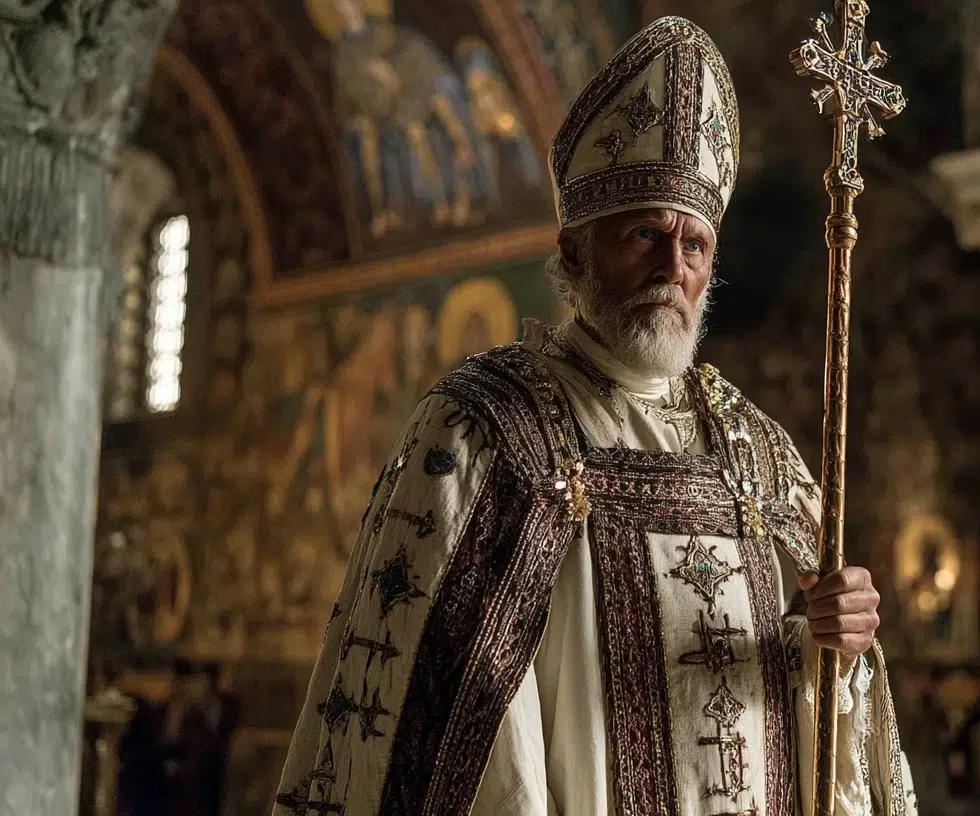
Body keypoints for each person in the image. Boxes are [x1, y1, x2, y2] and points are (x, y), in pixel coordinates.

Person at [274, 16, 917, 816]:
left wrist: (836, 642)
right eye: (643, 234)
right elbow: (451, 722)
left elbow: (798, 703)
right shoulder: (485, 431)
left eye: (693, 247)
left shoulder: (759, 454)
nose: (669, 268)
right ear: (574, 252)